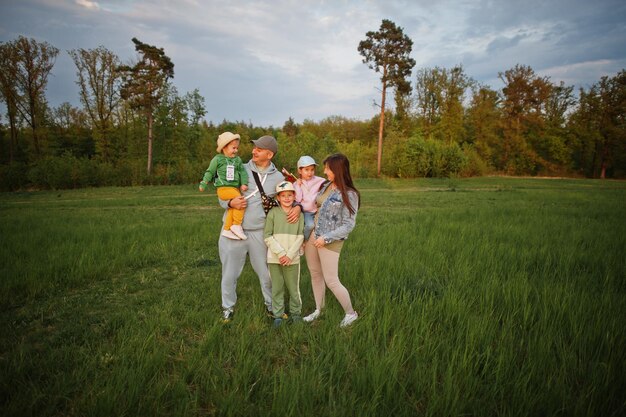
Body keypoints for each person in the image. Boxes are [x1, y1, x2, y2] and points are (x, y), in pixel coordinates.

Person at [218, 135, 301, 323]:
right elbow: (222, 193)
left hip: (259, 232)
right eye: (254, 147)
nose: (253, 151)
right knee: (230, 273)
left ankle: (272, 307)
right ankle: (227, 308)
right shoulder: (239, 167)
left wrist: (297, 206)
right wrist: (230, 202)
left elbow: (288, 198)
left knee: (267, 274)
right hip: (233, 231)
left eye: (259, 149)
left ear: (269, 154)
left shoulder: (278, 177)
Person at [303, 153, 360, 328]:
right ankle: (319, 309)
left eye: (328, 168)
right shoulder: (326, 185)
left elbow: (348, 225)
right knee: (315, 274)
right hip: (314, 235)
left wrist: (326, 238)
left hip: (330, 240)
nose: (325, 171)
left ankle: (351, 314)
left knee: (331, 280)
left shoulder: (349, 194)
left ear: (337, 170)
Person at [264, 181, 305, 327]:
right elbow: (267, 236)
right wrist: (281, 254)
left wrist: (289, 255)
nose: (287, 198)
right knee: (277, 287)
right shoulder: (273, 213)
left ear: (294, 196)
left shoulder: (298, 215)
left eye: (289, 195)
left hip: (292, 258)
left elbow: (300, 236)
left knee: (293, 288)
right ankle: (278, 314)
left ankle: (296, 313)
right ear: (278, 198)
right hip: (275, 258)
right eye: (283, 195)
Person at [199, 132, 249, 240]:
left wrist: (244, 183)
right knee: (240, 201)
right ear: (224, 147)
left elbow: (243, 172)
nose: (236, 150)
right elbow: (210, 172)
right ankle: (236, 224)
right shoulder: (217, 159)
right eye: (233, 148)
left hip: (234, 188)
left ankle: (227, 229)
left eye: (237, 148)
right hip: (223, 189)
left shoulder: (237, 160)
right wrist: (203, 183)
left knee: (233, 207)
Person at [293, 155, 327, 243]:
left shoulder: (319, 180)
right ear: (300, 171)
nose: (310, 173)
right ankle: (303, 241)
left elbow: (328, 183)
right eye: (306, 170)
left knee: (322, 226)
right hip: (306, 211)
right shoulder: (297, 184)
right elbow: (298, 199)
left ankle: (318, 242)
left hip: (317, 210)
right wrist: (298, 186)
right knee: (310, 225)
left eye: (312, 170)